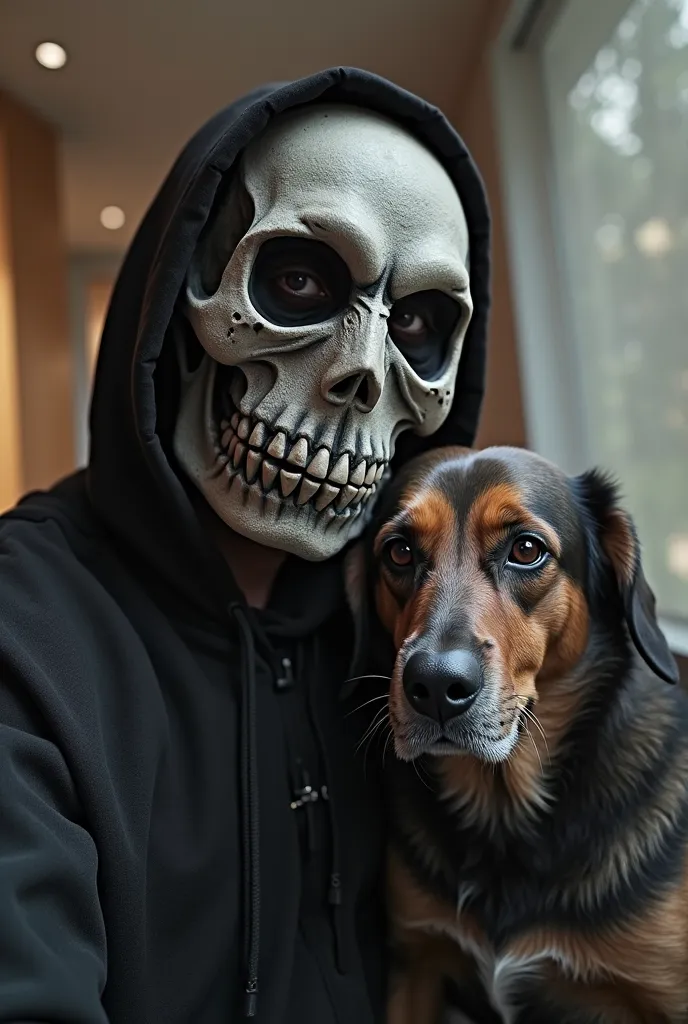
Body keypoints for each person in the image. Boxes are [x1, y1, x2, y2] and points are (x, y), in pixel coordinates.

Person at [0, 68, 490, 1023]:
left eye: (421, 326)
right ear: (183, 291)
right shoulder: (28, 631)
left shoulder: (417, 648)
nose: (358, 372)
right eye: (301, 280)